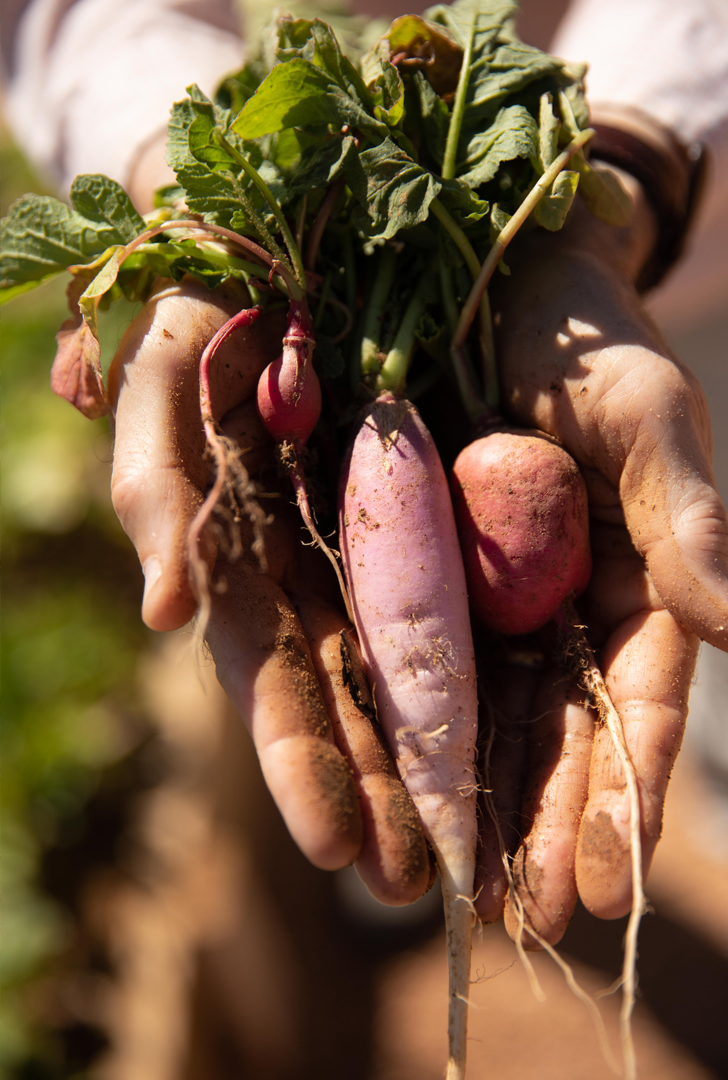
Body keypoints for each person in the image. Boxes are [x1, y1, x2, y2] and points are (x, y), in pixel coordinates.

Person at [3, 0, 728, 951]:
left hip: (635, 281)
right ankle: (421, 857)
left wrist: (619, 171)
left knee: (677, 557)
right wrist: (195, 216)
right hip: (390, 321)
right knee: (347, 750)